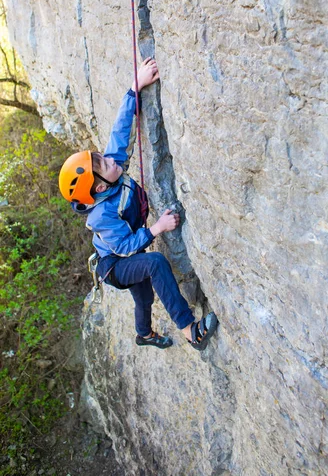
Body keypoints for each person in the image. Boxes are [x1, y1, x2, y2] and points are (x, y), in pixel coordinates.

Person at [59, 57, 218, 350]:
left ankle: (143, 335)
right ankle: (190, 332)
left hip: (122, 254)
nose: (109, 159)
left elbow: (120, 132)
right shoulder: (102, 214)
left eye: (102, 157)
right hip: (114, 265)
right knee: (154, 263)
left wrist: (135, 86)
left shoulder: (110, 173)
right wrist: (157, 228)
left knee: (144, 296)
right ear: (99, 186)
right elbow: (123, 248)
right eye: (103, 164)